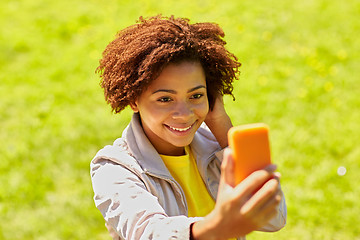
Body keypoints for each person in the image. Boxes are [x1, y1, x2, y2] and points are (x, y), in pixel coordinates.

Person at [90, 15, 287, 240]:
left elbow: (275, 218)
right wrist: (218, 226)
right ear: (134, 100)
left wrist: (221, 123)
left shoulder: (217, 145)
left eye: (196, 95)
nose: (183, 114)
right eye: (165, 99)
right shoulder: (113, 168)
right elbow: (148, 233)